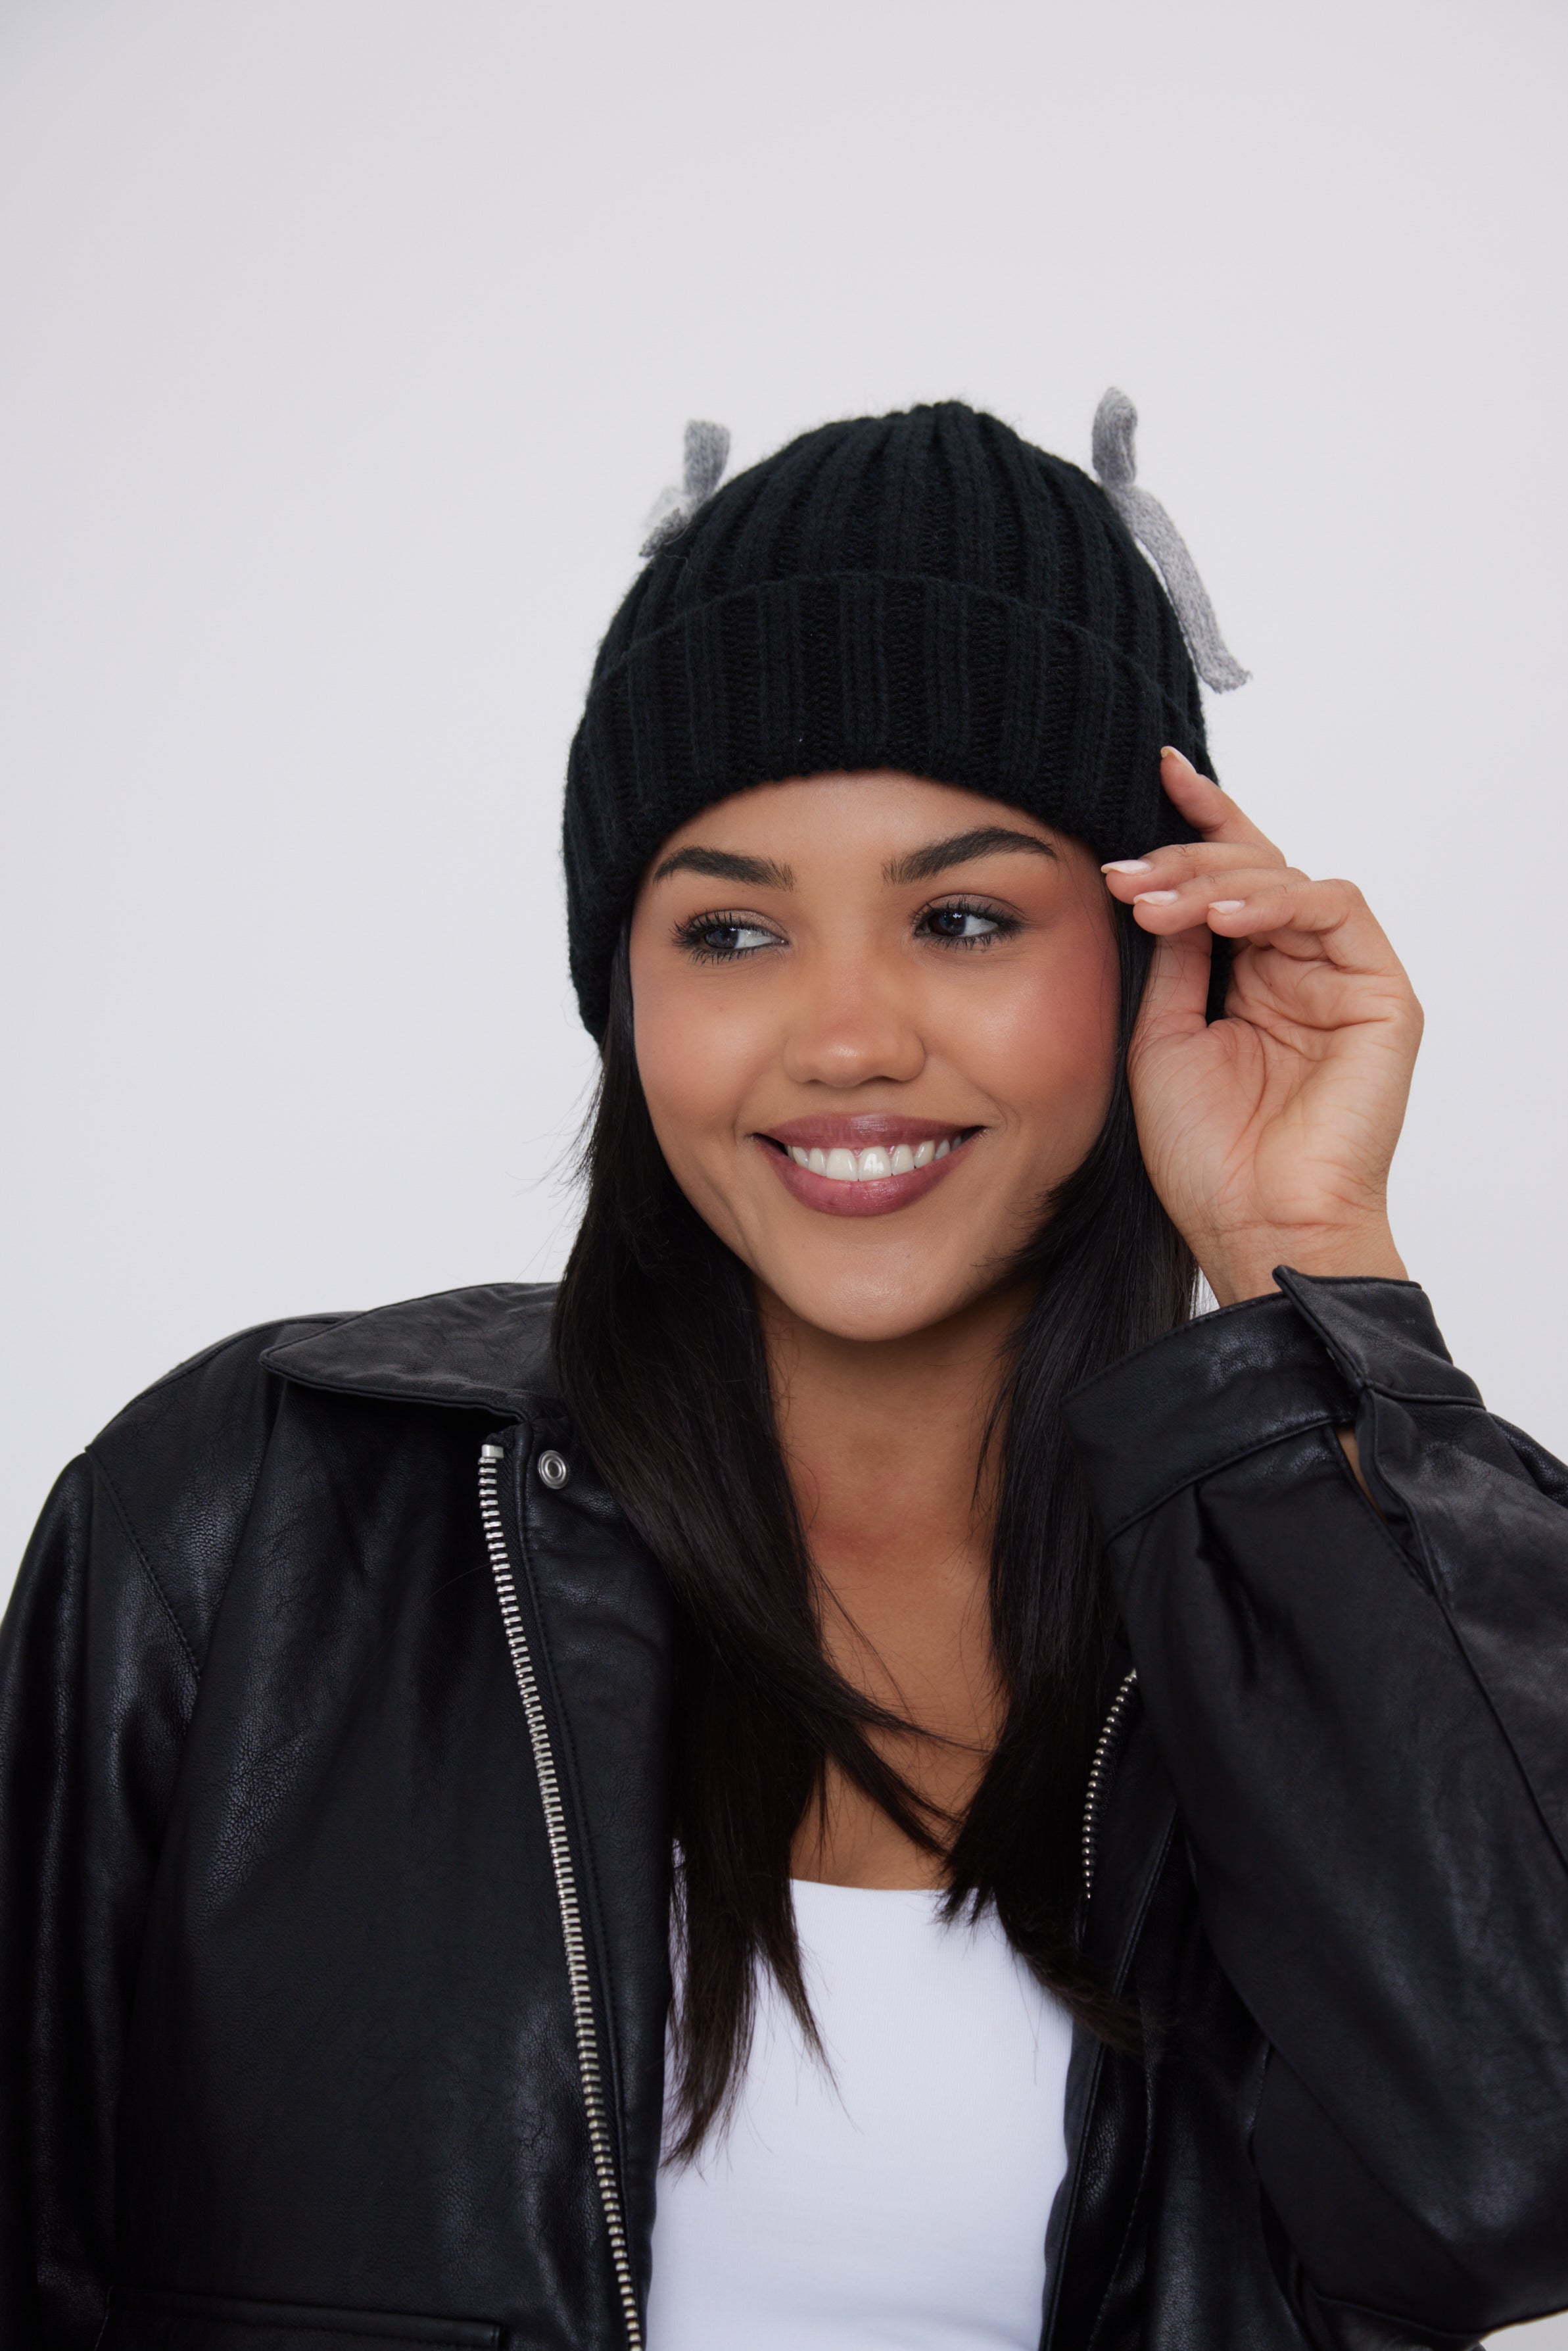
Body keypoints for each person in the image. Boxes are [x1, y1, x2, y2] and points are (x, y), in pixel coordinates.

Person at [3, 398, 1566, 2351]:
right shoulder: (247, 1514)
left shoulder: (1287, 1574)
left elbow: (1512, 2183)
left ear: (1165, 959)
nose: (842, 1037)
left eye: (965, 918)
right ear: (624, 984)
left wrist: (1309, 1277)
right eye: (731, 928)